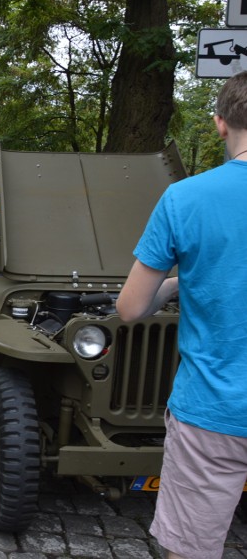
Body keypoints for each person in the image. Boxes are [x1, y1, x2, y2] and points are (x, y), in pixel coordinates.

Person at [116, 71, 247, 559]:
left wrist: (174, 285)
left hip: (213, 411)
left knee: (191, 550)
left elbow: (130, 309)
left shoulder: (186, 198)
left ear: (219, 123)